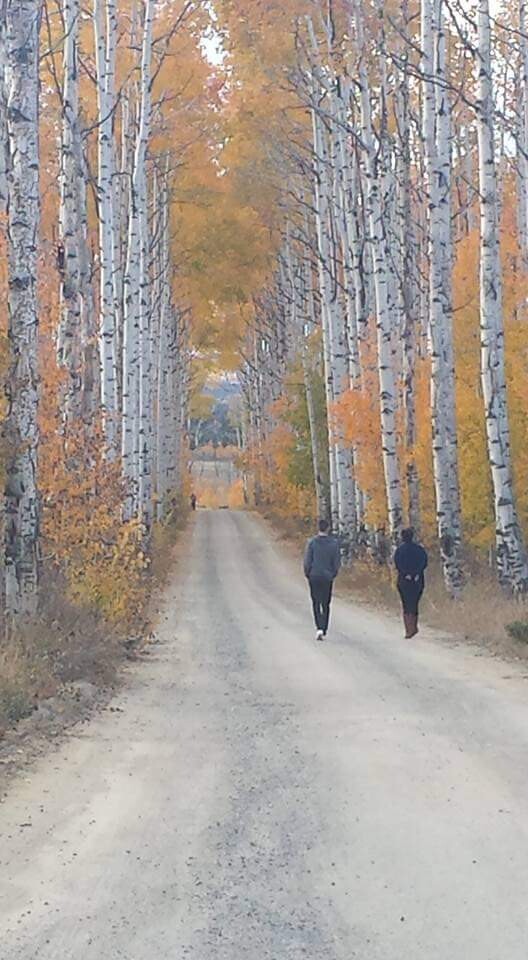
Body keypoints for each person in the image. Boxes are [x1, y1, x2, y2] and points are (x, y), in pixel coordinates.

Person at [304, 518, 341, 641]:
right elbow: (336, 562)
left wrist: (308, 572)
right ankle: (324, 627)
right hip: (327, 577)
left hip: (314, 575)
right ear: (328, 528)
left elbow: (308, 560)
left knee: (315, 602)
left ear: (318, 528)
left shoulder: (312, 543)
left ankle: (318, 627)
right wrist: (333, 573)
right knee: (326, 603)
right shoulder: (334, 544)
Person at [394, 528, 428, 639]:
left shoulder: (399, 550)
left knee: (405, 604)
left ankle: (409, 629)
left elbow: (397, 564)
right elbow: (424, 562)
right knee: (414, 603)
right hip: (418, 580)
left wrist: (406, 574)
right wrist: (416, 573)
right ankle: (413, 626)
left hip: (404, 580)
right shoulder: (419, 549)